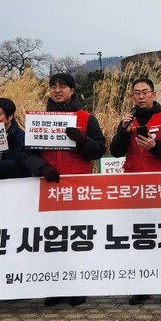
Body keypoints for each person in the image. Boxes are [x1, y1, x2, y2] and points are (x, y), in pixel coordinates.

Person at [21, 72, 106, 308]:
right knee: (52, 238)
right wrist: (42, 167)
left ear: (72, 90)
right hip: (49, 187)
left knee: (77, 238)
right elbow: (26, 153)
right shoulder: (39, 120)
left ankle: (77, 285)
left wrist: (82, 140)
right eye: (53, 86)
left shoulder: (86, 118)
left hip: (79, 188)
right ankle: (54, 286)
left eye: (63, 86)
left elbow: (99, 150)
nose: (57, 90)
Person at [109, 77, 161, 305]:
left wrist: (155, 146)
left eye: (145, 92)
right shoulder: (127, 121)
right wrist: (122, 131)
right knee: (140, 238)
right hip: (134, 188)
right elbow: (115, 152)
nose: (140, 96)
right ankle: (142, 285)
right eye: (136, 93)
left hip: (159, 187)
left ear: (154, 94)